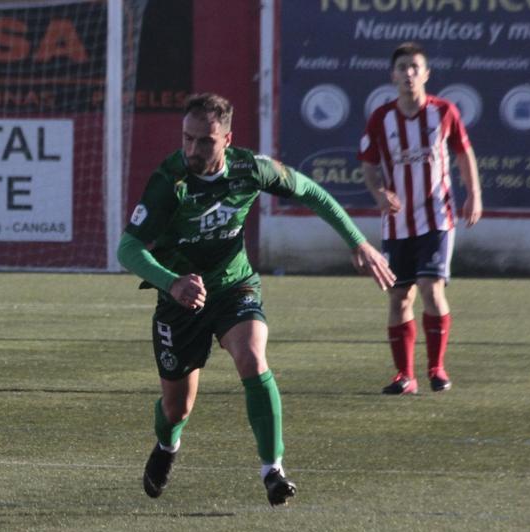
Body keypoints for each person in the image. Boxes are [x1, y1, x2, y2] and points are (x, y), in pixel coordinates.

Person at [118, 93, 395, 506]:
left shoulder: (251, 169)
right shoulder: (168, 182)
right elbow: (128, 249)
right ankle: (167, 445)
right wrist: (172, 282)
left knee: (252, 357)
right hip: (181, 299)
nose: (193, 149)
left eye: (205, 141)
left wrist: (357, 241)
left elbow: (311, 192)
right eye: (187, 138)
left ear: (227, 139)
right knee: (177, 408)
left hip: (234, 286)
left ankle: (273, 470)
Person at [359, 42, 482, 395]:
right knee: (399, 297)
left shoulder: (444, 111)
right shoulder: (382, 118)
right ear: (392, 75)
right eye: (403, 67)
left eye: (415, 67)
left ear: (426, 73)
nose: (409, 73)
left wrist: (473, 193)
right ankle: (404, 376)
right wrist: (379, 192)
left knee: (430, 288)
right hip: (397, 223)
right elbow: (367, 164)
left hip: (437, 218)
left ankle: (436, 369)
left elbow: (463, 152)